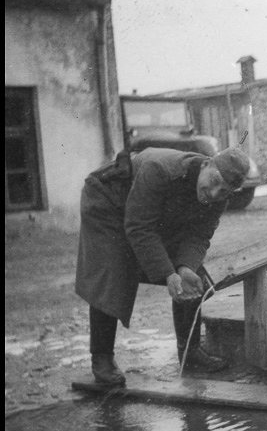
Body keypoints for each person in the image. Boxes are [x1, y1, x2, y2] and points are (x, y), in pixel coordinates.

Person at [76, 146, 250, 385]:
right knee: (113, 268)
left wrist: (185, 267)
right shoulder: (160, 170)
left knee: (195, 277)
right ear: (207, 164)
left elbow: (199, 235)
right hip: (107, 199)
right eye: (215, 181)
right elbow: (139, 227)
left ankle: (190, 352)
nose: (214, 192)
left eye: (224, 191)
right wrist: (168, 273)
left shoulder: (219, 197)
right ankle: (102, 358)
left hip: (140, 207)